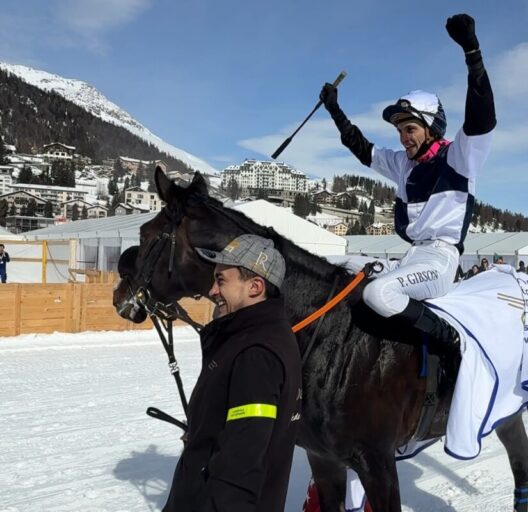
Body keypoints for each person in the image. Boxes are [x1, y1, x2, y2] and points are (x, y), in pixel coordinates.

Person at [319, 13, 495, 348]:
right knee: (334, 265)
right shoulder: (403, 164)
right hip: (412, 257)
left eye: (410, 129)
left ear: (431, 129)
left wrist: (473, 53)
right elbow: (362, 148)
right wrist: (335, 111)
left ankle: (448, 339)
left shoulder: (458, 157)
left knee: (379, 292)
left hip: (441, 262)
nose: (403, 138)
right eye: (399, 131)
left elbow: (482, 118)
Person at [164, 234, 302, 512]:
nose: (212, 290)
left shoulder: (256, 354)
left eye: (221, 280)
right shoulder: (255, 337)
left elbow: (242, 463)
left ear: (254, 286)